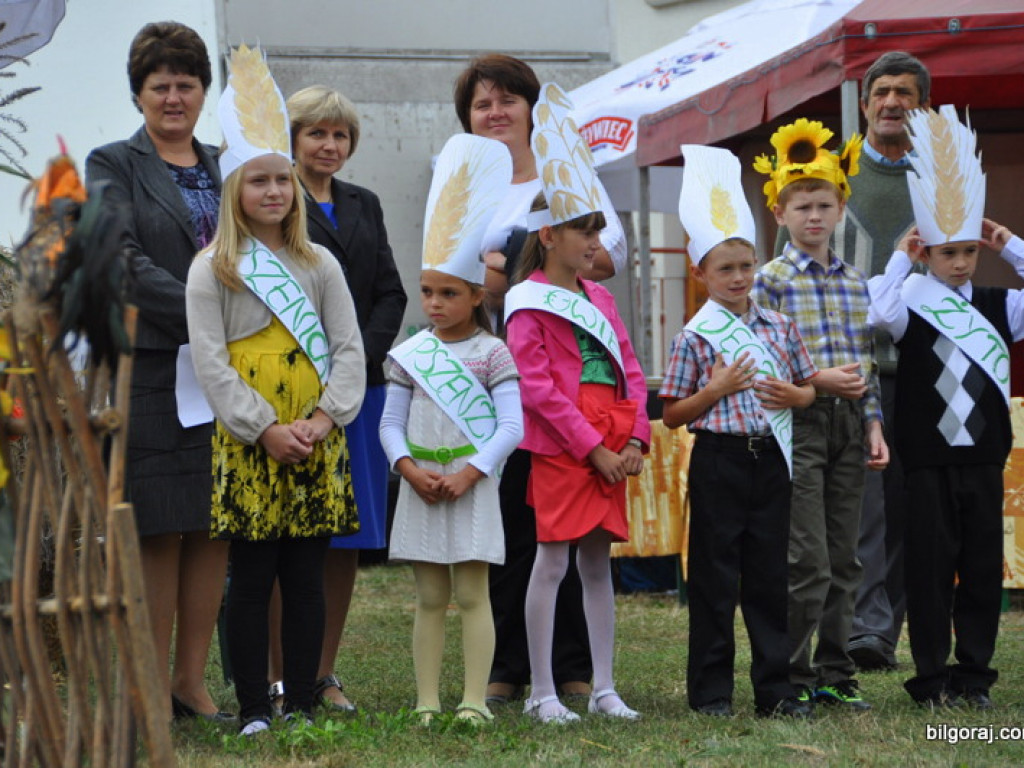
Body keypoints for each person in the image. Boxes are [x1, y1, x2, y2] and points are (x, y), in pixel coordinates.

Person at [185, 44, 365, 735]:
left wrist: (322, 421)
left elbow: (348, 347)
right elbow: (210, 362)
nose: (273, 193)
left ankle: (306, 700)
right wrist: (263, 427)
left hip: (316, 433)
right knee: (253, 576)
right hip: (251, 436)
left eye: (281, 181)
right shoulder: (215, 270)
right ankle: (256, 706)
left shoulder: (319, 263)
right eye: (258, 181)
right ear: (235, 190)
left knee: (307, 572)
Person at [453, 53, 626, 706]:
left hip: (575, 376)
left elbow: (608, 259)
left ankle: (576, 667)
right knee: (516, 521)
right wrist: (497, 274)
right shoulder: (467, 182)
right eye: (481, 103)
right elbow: (456, 280)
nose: (495, 112)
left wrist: (518, 258)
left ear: (530, 108)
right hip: (494, 371)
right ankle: (510, 666)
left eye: (507, 100)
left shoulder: (568, 171)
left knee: (577, 529)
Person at [85, 21, 231, 721]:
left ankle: (189, 682)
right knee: (157, 525)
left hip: (229, 374)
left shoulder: (228, 167)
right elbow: (120, 260)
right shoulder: (111, 163)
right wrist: (210, 315)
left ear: (205, 90)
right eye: (160, 86)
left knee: (212, 525)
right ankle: (145, 684)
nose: (175, 98)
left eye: (187, 84)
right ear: (139, 94)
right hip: (151, 366)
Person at [776, 51, 932, 672]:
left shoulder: (941, 182)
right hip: (843, 377)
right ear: (864, 104)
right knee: (860, 508)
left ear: (922, 106)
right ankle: (862, 631)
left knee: (906, 508)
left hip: (925, 366)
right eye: (882, 92)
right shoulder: (831, 177)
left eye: (906, 93)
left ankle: (880, 629)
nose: (892, 102)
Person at [868, 105, 1022, 709]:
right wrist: (899, 259)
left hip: (983, 457)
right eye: (945, 252)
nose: (959, 262)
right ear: (927, 253)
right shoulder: (909, 299)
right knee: (929, 574)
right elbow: (877, 312)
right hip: (927, 459)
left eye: (967, 251)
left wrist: (1008, 245)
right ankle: (930, 677)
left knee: (982, 571)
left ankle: (974, 675)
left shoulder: (996, 303)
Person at [504, 83, 648, 724]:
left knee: (597, 562)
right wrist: (591, 448)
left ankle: (605, 685)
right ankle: (541, 691)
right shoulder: (525, 301)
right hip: (565, 444)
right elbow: (535, 386)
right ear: (548, 234)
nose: (595, 239)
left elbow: (631, 368)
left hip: (613, 439)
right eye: (582, 229)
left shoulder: (601, 296)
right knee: (553, 558)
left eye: (596, 227)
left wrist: (636, 438)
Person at [660, 145, 817, 719]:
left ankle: (775, 691)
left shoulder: (778, 326)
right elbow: (672, 412)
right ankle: (712, 694)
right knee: (713, 578)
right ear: (699, 272)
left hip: (772, 458)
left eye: (746, 267)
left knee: (770, 578)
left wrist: (798, 395)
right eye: (724, 269)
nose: (738, 278)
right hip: (719, 460)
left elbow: (808, 387)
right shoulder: (695, 337)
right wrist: (715, 390)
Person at [263, 85, 407, 713]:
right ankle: (276, 675)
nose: (329, 144)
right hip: (288, 392)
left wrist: (356, 358)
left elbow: (392, 294)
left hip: (358, 392)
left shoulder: (365, 203)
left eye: (340, 135)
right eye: (316, 133)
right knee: (281, 534)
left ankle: (322, 674)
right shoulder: (270, 198)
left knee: (345, 535)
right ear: (292, 139)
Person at [379, 133, 523, 724]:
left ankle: (472, 701)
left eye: (448, 294)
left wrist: (469, 473)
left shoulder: (493, 353)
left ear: (473, 294)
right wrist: (409, 468)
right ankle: (426, 701)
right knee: (430, 597)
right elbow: (389, 423)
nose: (435, 303)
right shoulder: (411, 352)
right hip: (421, 482)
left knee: (472, 593)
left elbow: (511, 425)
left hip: (471, 483)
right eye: (428, 292)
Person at [753, 119, 889, 712]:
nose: (814, 215)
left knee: (845, 554)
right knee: (805, 556)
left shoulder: (856, 283)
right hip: (799, 427)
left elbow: (866, 363)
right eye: (802, 205)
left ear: (840, 211)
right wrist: (815, 382)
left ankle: (836, 671)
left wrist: (873, 421)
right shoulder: (769, 281)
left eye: (824, 205)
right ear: (779, 213)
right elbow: (762, 366)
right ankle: (791, 671)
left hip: (849, 426)